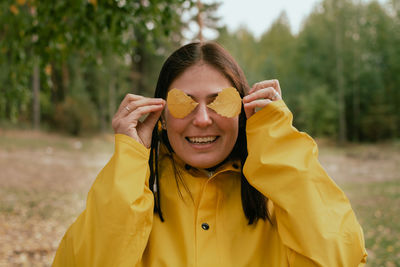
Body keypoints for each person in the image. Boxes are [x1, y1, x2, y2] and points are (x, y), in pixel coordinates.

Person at [53, 42, 367, 266]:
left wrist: (277, 137)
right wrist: (130, 158)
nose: (202, 119)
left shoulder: (281, 203)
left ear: (244, 109)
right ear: (160, 114)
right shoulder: (132, 194)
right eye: (183, 102)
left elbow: (340, 256)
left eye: (220, 101)